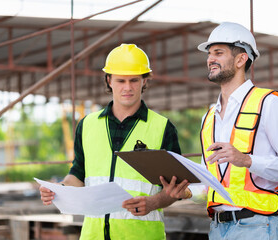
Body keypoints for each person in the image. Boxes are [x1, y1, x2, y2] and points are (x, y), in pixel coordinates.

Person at [162, 22, 278, 240]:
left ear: (241, 59)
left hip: (257, 226)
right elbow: (210, 185)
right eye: (210, 54)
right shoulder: (208, 118)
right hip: (217, 227)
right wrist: (186, 192)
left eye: (218, 53)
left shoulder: (268, 104)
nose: (210, 59)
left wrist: (247, 160)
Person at [39, 43, 183, 240]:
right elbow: (78, 174)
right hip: (93, 235)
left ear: (144, 81)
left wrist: (154, 202)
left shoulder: (163, 128)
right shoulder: (87, 125)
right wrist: (60, 190)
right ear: (109, 80)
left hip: (142, 236)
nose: (127, 87)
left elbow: (178, 186)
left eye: (134, 80)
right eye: (120, 80)